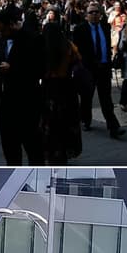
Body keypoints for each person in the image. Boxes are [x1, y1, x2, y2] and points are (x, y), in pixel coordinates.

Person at [0, 9, 45, 165]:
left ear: (12, 25)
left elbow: (40, 69)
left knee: (33, 148)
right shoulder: (1, 39)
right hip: (6, 102)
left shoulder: (33, 39)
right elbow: (0, 57)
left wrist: (13, 68)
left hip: (27, 102)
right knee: (10, 149)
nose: (0, 34)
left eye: (2, 30)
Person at [73, 3, 125, 139]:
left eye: (97, 12)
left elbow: (109, 45)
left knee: (106, 99)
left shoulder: (105, 27)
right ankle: (85, 120)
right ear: (86, 16)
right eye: (91, 12)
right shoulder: (80, 29)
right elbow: (77, 50)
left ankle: (114, 126)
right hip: (88, 69)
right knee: (86, 97)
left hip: (104, 67)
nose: (94, 14)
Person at [41, 23, 82, 163]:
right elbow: (78, 60)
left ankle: (53, 152)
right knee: (67, 122)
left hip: (50, 90)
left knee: (51, 125)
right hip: (67, 89)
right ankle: (65, 150)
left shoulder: (44, 49)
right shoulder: (69, 46)